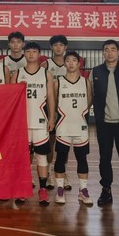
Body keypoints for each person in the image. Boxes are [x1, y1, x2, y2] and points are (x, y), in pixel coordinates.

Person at [89, 39, 119, 209]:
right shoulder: (95, 72)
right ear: (103, 53)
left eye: (112, 49)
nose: (109, 52)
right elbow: (91, 94)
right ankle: (106, 190)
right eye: (106, 49)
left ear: (118, 52)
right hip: (104, 124)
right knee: (104, 158)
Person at [10, 41, 55, 206]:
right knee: (23, 158)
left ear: (39, 54)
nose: (30, 54)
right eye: (28, 51)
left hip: (40, 121)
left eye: (34, 51)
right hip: (22, 123)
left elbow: (51, 97)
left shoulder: (46, 74)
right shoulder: (17, 73)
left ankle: (42, 189)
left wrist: (52, 118)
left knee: (42, 157)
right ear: (24, 53)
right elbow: (11, 99)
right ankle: (23, 188)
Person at [53, 51, 93, 205]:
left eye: (74, 60)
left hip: (80, 126)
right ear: (64, 63)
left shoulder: (86, 82)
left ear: (79, 63)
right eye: (68, 60)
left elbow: (88, 102)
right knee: (60, 158)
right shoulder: (58, 82)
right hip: (63, 125)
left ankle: (83, 190)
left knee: (82, 159)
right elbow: (54, 102)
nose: (71, 63)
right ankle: (60, 189)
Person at [41, 35, 70, 190]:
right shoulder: (45, 65)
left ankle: (63, 173)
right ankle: (50, 173)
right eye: (55, 45)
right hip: (50, 108)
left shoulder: (70, 64)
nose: (58, 47)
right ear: (51, 47)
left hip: (66, 109)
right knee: (50, 143)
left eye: (61, 45)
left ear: (65, 47)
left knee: (64, 143)